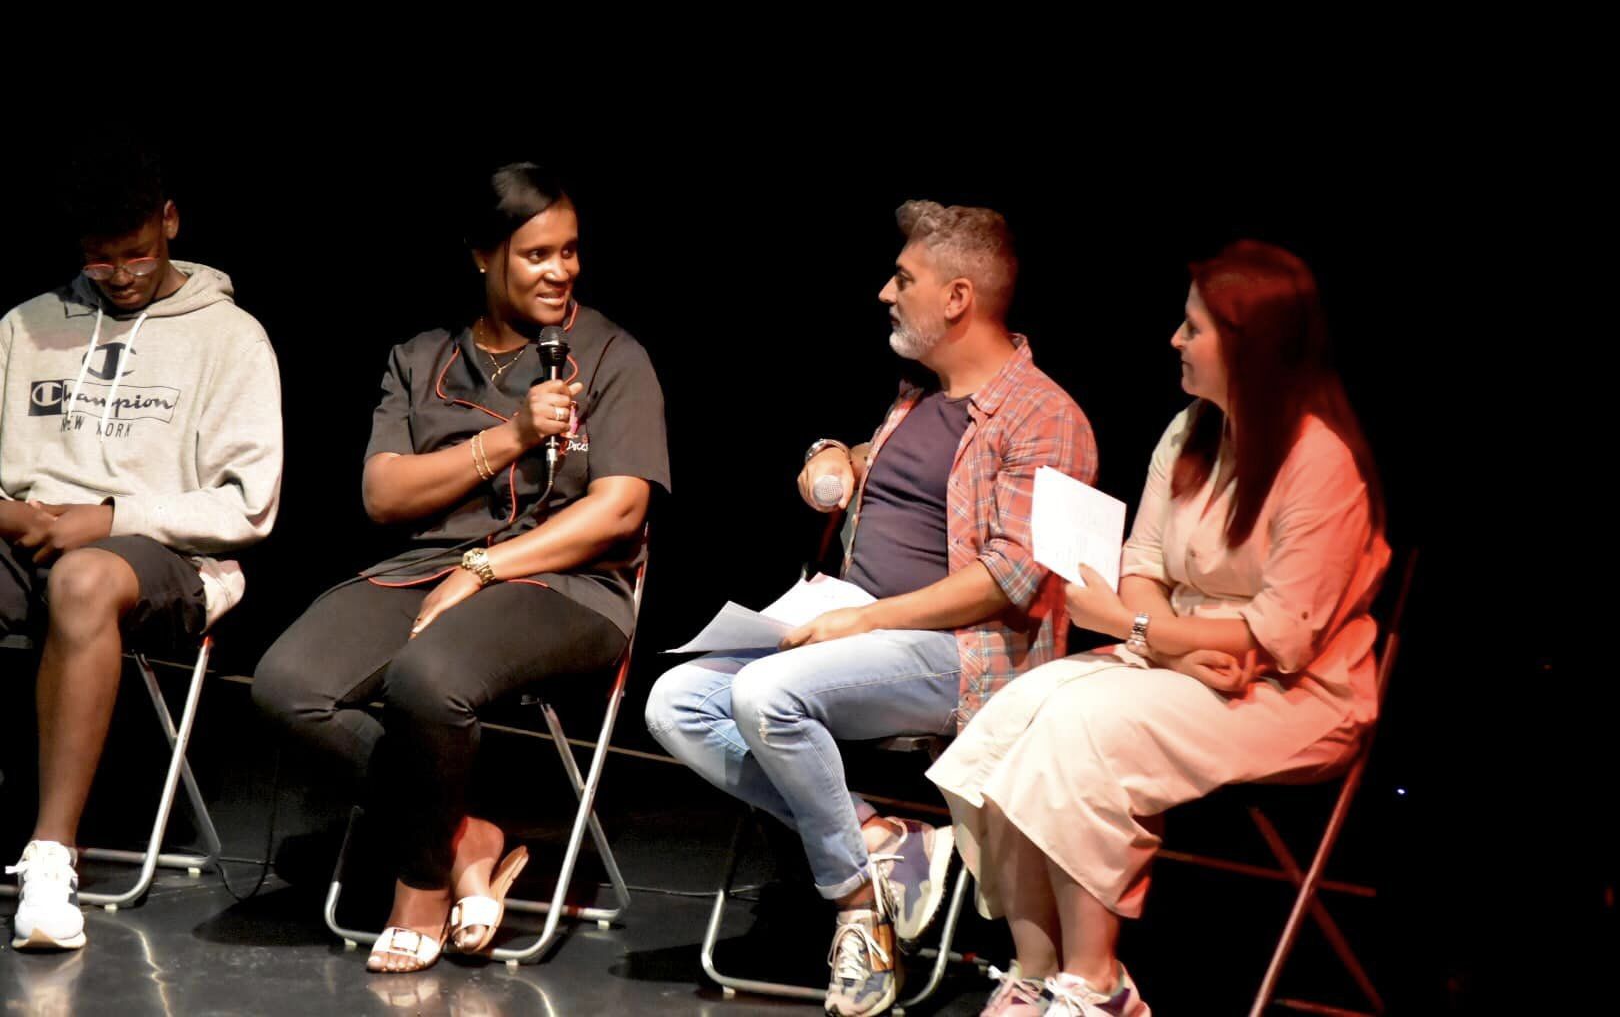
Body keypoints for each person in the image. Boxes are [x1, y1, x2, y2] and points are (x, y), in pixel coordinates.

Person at [646, 201, 1095, 1016]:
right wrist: (838, 456)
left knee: (766, 696)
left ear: (957, 298)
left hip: (961, 652)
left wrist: (864, 620)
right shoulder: (918, 395)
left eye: (903, 278)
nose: (887, 293)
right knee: (676, 701)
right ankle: (885, 848)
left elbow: (1013, 576)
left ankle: (856, 910)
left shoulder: (1045, 416)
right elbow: (914, 487)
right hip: (856, 623)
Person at [927, 240, 1389, 1016]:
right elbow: (1141, 561)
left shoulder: (1321, 464)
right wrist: (1168, 644)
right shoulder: (1189, 433)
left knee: (1084, 730)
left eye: (1193, 328)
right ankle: (1036, 969)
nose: (1175, 340)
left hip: (1293, 694)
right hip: (1183, 660)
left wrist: (1137, 626)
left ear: (1248, 345)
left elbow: (1279, 636)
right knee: (1016, 709)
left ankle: (1099, 985)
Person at [253, 162, 669, 974]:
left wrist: (484, 567)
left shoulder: (613, 356)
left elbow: (620, 509)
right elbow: (384, 494)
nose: (561, 271)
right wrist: (511, 438)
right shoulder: (421, 359)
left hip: (570, 583)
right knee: (288, 684)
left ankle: (419, 886)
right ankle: (462, 834)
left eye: (570, 251)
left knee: (427, 675)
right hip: (427, 566)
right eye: (537, 254)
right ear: (483, 255)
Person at [2, 138, 284, 951]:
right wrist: (17, 517)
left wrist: (109, 515)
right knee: (64, 571)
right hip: (27, 533)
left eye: (136, 254)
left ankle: (51, 857)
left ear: (170, 221)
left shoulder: (231, 337)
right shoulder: (24, 327)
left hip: (166, 554)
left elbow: (248, 506)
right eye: (100, 260)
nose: (120, 275)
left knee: (84, 579)